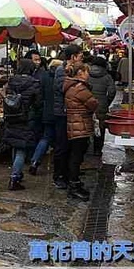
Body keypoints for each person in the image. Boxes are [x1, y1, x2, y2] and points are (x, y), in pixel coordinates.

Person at [3, 59, 41, 191]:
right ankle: (14, 178)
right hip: (26, 118)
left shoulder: (11, 81)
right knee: (21, 149)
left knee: (15, 144)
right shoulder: (34, 83)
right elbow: (37, 103)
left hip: (11, 117)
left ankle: (17, 171)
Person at [64, 62, 99, 201]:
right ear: (80, 73)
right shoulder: (79, 88)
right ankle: (74, 186)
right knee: (76, 156)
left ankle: (74, 182)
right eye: (86, 72)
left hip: (75, 124)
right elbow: (93, 103)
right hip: (80, 126)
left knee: (75, 155)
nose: (88, 74)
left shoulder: (71, 86)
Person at [53, 44, 83, 190]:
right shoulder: (61, 70)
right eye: (80, 56)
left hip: (72, 112)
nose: (81, 59)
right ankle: (58, 176)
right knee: (61, 145)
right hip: (62, 113)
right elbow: (61, 88)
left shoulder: (74, 70)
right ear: (73, 57)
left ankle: (67, 174)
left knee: (70, 146)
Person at [27, 51, 57, 174]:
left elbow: (39, 97)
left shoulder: (43, 76)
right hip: (56, 113)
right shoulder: (60, 80)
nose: (38, 62)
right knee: (48, 137)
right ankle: (36, 160)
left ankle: (34, 160)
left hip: (43, 112)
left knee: (44, 137)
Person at [88, 56, 116, 156]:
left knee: (86, 126)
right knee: (100, 127)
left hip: (87, 104)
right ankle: (97, 150)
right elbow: (112, 91)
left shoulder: (86, 74)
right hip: (101, 105)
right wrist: (106, 101)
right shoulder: (107, 76)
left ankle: (86, 149)